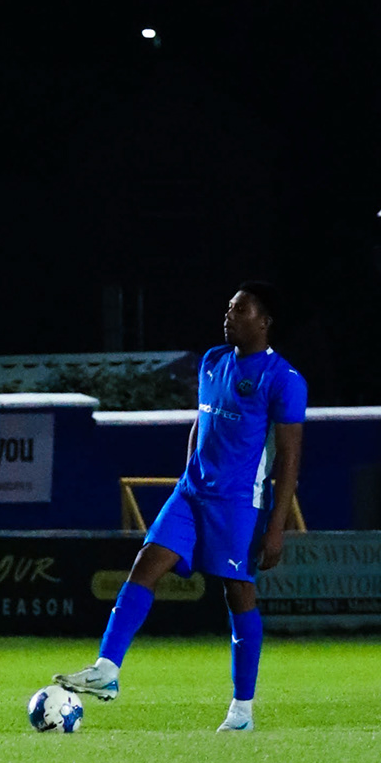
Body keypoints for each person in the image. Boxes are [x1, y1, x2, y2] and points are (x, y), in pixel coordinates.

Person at [62, 286, 306, 731]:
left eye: (240, 309)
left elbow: (289, 458)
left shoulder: (283, 379)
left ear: (264, 320)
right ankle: (107, 670)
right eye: (228, 307)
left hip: (238, 504)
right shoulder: (213, 360)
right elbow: (202, 421)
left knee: (238, 596)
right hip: (192, 492)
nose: (228, 314)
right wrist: (188, 472)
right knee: (145, 564)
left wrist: (277, 527)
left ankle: (242, 711)